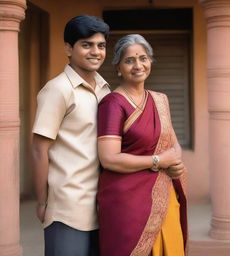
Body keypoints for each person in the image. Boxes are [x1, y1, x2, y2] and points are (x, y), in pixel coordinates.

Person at [97, 34, 188, 256]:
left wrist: (175, 163)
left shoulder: (160, 99)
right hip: (127, 204)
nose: (138, 65)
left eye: (143, 58)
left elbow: (174, 146)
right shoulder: (112, 104)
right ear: (118, 67)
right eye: (129, 60)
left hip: (164, 196)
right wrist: (159, 161)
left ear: (150, 62)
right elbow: (109, 158)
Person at [31, 15, 110, 256]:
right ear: (68, 48)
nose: (95, 51)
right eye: (86, 45)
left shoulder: (106, 88)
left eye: (101, 45)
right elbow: (39, 149)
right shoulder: (57, 89)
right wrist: (43, 202)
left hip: (103, 206)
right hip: (67, 208)